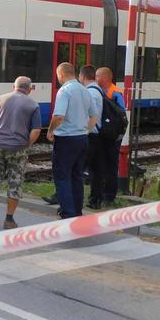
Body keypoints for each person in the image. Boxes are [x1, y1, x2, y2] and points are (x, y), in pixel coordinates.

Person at [0, 76, 42, 229]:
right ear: (29, 89)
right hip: (18, 148)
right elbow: (36, 130)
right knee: (15, 183)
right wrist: (26, 145)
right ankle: (9, 219)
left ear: (13, 87)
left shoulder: (0, 99)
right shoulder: (33, 104)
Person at [47, 63, 97, 219]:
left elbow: (59, 116)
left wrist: (50, 130)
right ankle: (77, 211)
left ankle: (67, 213)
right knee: (77, 176)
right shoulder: (85, 90)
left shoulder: (64, 91)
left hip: (66, 139)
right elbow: (94, 116)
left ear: (61, 74)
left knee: (62, 176)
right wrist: (84, 131)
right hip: (82, 139)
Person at [96, 67, 125, 204]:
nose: (96, 79)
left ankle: (109, 195)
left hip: (112, 135)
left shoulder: (116, 93)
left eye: (97, 76)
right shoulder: (100, 91)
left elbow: (121, 115)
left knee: (111, 164)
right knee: (102, 163)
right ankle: (101, 192)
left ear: (105, 78)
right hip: (104, 133)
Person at [79, 65, 105, 209]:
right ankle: (95, 200)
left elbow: (91, 115)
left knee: (77, 168)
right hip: (98, 135)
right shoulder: (98, 90)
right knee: (95, 170)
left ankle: (69, 199)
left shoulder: (89, 92)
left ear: (82, 76)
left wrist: (84, 131)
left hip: (91, 135)